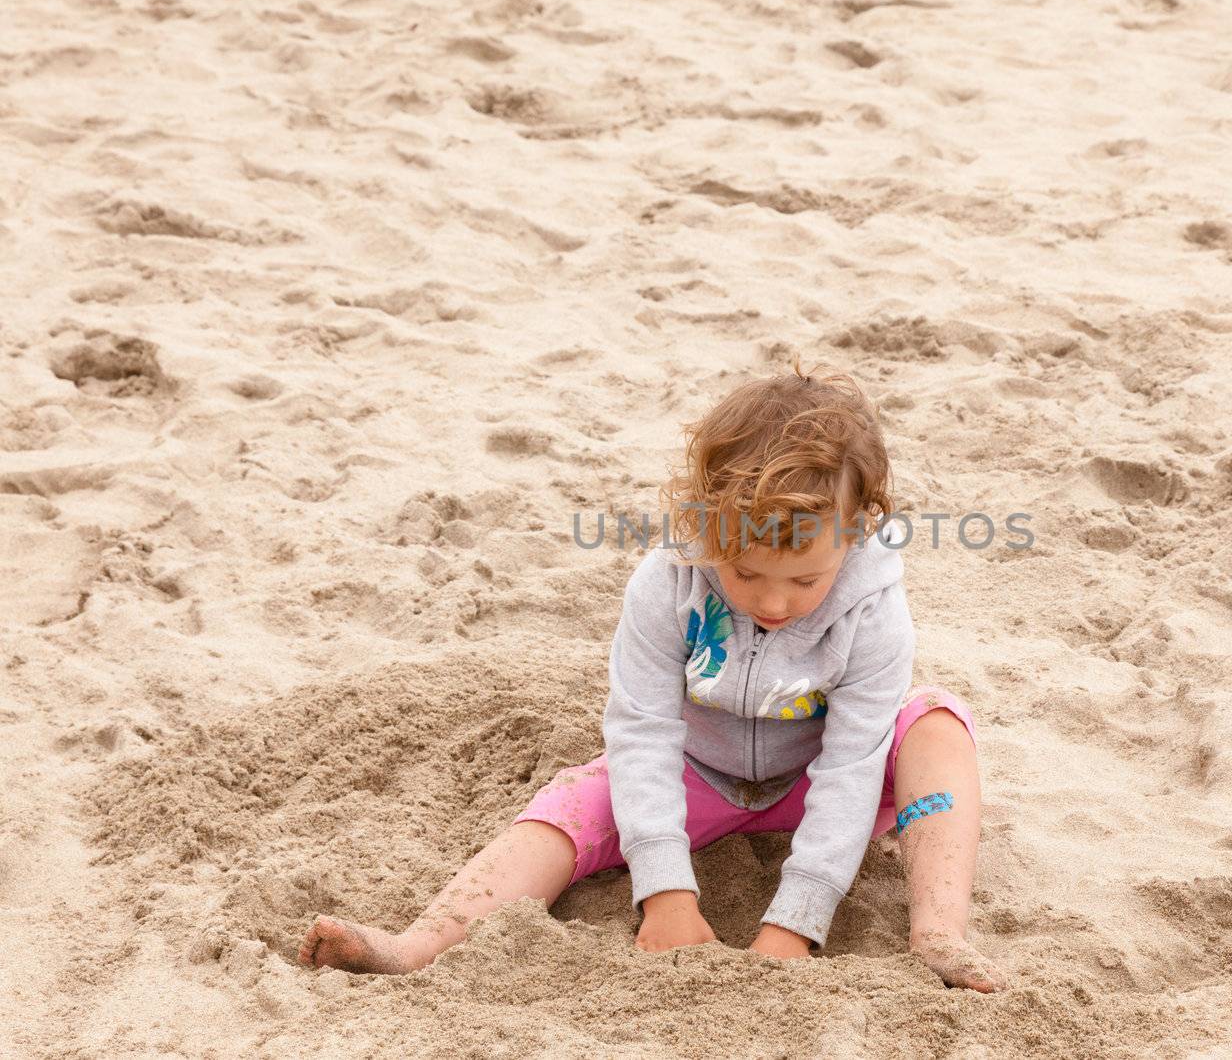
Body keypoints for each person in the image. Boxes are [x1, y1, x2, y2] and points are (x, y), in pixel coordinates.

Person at [297, 361, 1004, 992]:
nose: (773, 601)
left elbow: (853, 765)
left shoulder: (875, 609)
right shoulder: (666, 582)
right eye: (746, 571)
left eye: (804, 578)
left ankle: (937, 929)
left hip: (818, 778)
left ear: (853, 535)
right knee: (569, 803)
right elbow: (641, 729)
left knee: (938, 721)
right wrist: (664, 890)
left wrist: (797, 920)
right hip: (693, 773)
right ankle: (419, 944)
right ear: (708, 522)